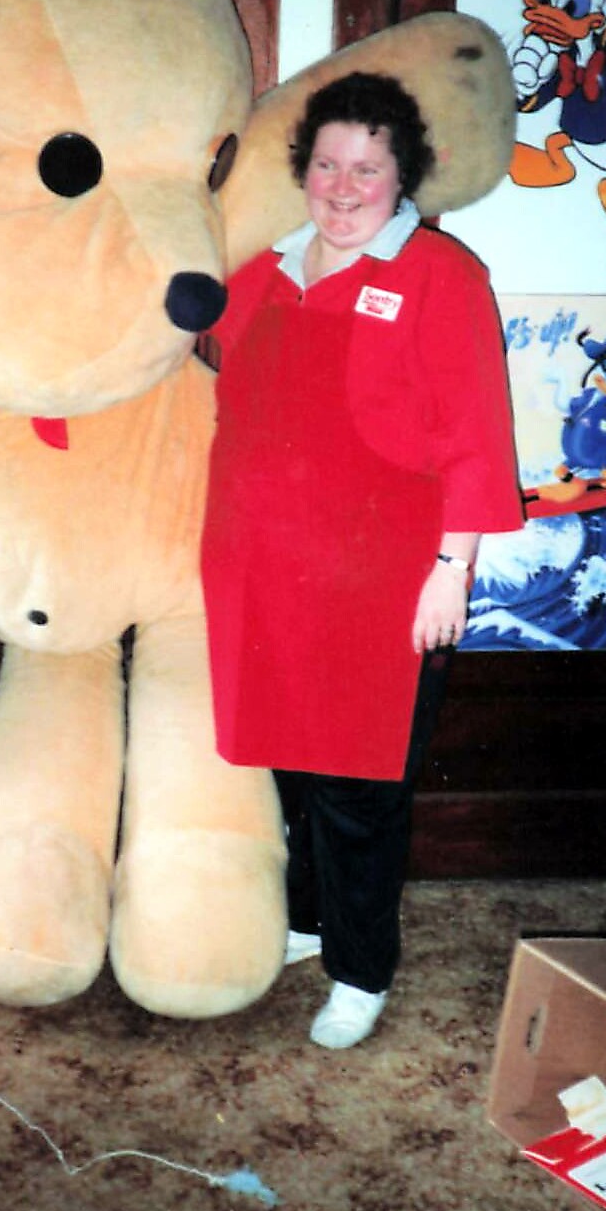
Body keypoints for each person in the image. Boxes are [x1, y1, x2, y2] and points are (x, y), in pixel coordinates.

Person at [200, 72, 524, 1049]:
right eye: (328, 166)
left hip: (380, 585)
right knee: (290, 772)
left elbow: (475, 434)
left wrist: (451, 569)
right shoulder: (266, 271)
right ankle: (309, 921)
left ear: (402, 176)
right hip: (266, 573)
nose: (344, 188)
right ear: (304, 171)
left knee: (358, 787)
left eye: (368, 169)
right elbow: (200, 356)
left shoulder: (440, 276)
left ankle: (361, 967)